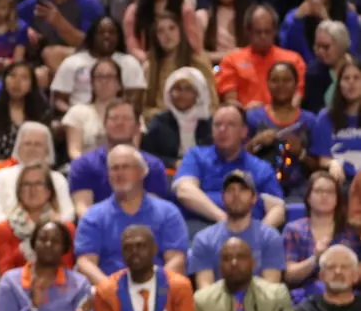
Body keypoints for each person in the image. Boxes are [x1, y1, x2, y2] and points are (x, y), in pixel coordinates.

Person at [74, 145, 189, 285]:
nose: (119, 173)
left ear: (142, 172)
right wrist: (112, 291)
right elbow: (85, 262)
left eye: (126, 167)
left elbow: (176, 260)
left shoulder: (168, 212)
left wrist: (151, 291)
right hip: (107, 294)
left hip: (157, 294)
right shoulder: (93, 216)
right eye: (114, 168)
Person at [174, 102, 288, 230]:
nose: (222, 129)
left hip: (247, 233)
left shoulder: (261, 168)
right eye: (217, 125)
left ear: (244, 132)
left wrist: (259, 237)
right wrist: (223, 219)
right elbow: (184, 191)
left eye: (230, 124)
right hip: (200, 229)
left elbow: (278, 208)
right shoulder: (196, 156)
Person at [190, 172, 287, 288]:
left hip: (259, 304)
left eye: (243, 189)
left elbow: (271, 290)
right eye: (230, 190)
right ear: (223, 198)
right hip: (218, 304)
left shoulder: (270, 237)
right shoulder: (204, 239)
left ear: (254, 198)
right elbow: (205, 291)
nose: (236, 194)